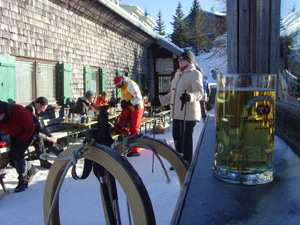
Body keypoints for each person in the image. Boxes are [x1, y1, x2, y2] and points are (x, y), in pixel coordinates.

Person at [151, 50, 203, 168]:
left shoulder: (195, 73)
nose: (179, 61)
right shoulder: (178, 74)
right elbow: (172, 95)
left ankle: (187, 161)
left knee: (186, 138)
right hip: (176, 113)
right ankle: (178, 160)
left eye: (182, 59)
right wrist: (159, 101)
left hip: (188, 113)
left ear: (189, 61)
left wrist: (190, 96)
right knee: (176, 137)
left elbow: (200, 92)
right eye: (179, 59)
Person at [0, 101, 39, 192]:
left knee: (17, 153)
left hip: (31, 129)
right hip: (16, 132)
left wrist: (20, 143)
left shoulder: (18, 111)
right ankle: (30, 168)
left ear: (4, 112)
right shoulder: (2, 117)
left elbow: (30, 129)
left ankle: (23, 180)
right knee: (12, 158)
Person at [25, 97, 63, 168]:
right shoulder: (29, 111)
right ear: (38, 104)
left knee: (45, 139)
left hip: (33, 136)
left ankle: (62, 155)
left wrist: (50, 136)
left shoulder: (38, 113)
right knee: (39, 138)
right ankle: (43, 161)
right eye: (43, 108)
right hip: (24, 137)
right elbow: (32, 131)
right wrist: (47, 138)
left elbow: (43, 128)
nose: (44, 110)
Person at [113, 75, 144, 157]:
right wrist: (124, 101)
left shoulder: (130, 85)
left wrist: (128, 103)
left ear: (122, 82)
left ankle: (136, 150)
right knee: (130, 128)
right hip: (131, 109)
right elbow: (128, 96)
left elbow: (138, 98)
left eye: (119, 85)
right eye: (118, 87)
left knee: (134, 129)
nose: (119, 87)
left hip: (137, 108)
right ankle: (132, 147)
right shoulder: (124, 86)